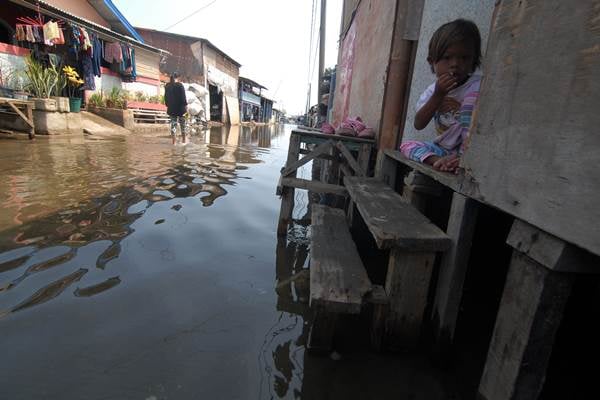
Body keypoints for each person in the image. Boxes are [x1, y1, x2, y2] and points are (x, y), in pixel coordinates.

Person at [400, 19, 482, 173]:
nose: (455, 64)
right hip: (443, 150)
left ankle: (462, 161)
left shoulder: (478, 86)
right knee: (407, 146)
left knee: (474, 98)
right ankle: (439, 161)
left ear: (474, 60)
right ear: (432, 62)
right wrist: (438, 96)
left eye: (464, 58)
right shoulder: (433, 91)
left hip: (471, 153)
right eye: (447, 57)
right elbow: (419, 124)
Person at [164, 72, 187, 144]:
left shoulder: (167, 86)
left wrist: (168, 105)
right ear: (178, 78)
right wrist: (186, 106)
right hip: (181, 109)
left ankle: (173, 142)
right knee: (183, 125)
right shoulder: (180, 85)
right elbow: (183, 98)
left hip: (172, 109)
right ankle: (184, 141)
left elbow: (166, 98)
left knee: (173, 125)